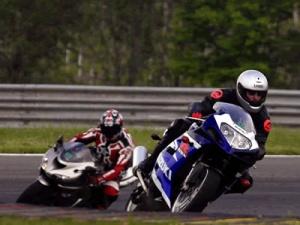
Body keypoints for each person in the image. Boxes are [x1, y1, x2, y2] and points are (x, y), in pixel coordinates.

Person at [136, 69, 271, 193]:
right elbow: (203, 106)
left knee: (245, 182)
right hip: (210, 132)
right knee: (180, 124)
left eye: (259, 94)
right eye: (251, 93)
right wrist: (197, 114)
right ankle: (148, 164)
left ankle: (205, 192)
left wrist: (259, 150)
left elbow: (260, 141)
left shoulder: (263, 118)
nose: (255, 97)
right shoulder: (224, 95)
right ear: (241, 90)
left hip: (233, 148)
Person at [70, 109, 134, 209]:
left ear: (119, 127)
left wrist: (100, 179)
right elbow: (78, 139)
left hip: (112, 171)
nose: (109, 133)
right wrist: (64, 147)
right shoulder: (97, 132)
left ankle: (97, 210)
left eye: (112, 129)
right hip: (94, 164)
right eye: (105, 129)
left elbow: (118, 168)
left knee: (111, 192)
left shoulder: (126, 145)